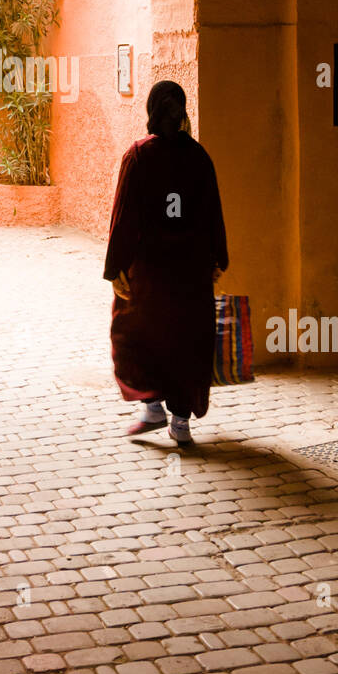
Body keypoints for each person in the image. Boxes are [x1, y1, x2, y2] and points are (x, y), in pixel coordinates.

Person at [103, 80, 228, 444]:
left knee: (137, 336)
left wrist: (115, 268)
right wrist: (218, 258)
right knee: (187, 341)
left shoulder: (139, 155)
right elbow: (212, 213)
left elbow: (124, 217)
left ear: (152, 110)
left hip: (150, 272)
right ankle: (180, 423)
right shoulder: (199, 157)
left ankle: (153, 407)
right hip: (191, 272)